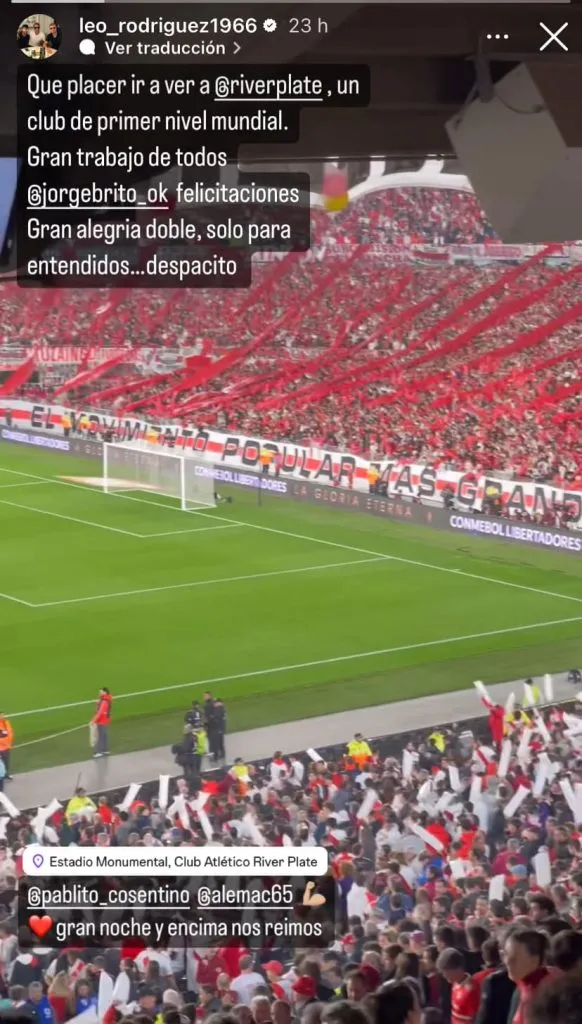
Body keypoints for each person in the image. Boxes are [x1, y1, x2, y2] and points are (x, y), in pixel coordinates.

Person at [503, 930, 554, 1024]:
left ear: (534, 960)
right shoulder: (523, 984)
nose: (507, 961)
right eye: (505, 954)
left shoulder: (542, 995)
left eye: (513, 958)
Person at [437, 949, 480, 1024]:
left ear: (457, 968)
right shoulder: (454, 984)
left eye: (445, 971)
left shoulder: (472, 989)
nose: (444, 975)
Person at [92, 687, 112, 758]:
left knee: (101, 736)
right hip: (105, 720)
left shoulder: (104, 701)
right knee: (104, 735)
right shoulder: (107, 699)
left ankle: (98, 752)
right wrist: (98, 703)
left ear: (105, 692)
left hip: (101, 721)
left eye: (101, 692)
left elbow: (100, 712)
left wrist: (93, 721)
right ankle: (105, 750)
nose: (100, 693)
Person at [0, 715, 13, 780]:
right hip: (1, 747)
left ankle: (6, 774)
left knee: (6, 762)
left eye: (3, 715)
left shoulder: (6, 723)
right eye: (1, 715)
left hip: (5, 747)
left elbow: (9, 733)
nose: (2, 716)